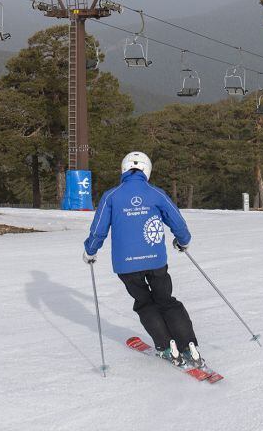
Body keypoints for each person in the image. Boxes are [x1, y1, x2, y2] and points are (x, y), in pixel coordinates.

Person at [82, 151, 202, 367]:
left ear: (123, 169)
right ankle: (188, 346)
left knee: (145, 303)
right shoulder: (155, 193)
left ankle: (167, 347)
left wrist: (90, 250)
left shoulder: (112, 195)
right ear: (147, 170)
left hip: (126, 265)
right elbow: (177, 222)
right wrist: (183, 241)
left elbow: (99, 229)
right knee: (166, 301)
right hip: (156, 261)